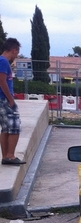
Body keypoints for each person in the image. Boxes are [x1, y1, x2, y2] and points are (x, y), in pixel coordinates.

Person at [0, 37, 25, 165]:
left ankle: (5, 156)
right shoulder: (3, 62)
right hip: (4, 99)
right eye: (17, 51)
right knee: (15, 127)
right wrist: (11, 99)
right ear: (14, 50)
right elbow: (2, 81)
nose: (17, 55)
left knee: (5, 128)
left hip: (2, 99)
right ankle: (10, 155)